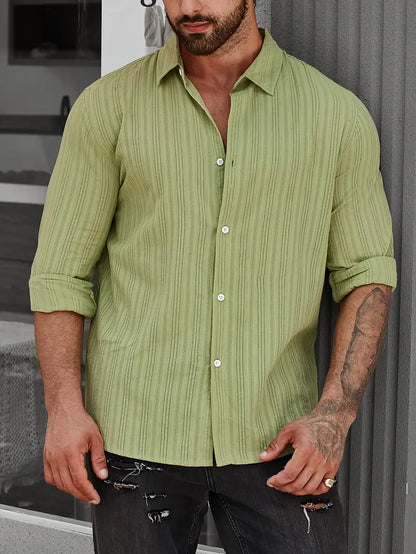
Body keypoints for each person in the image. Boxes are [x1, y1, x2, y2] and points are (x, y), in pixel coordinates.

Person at [29, 1, 396, 552]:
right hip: (134, 435)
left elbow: (366, 275)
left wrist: (333, 418)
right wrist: (64, 407)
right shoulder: (108, 107)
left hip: (277, 436)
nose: (190, 7)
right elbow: (62, 272)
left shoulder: (335, 116)